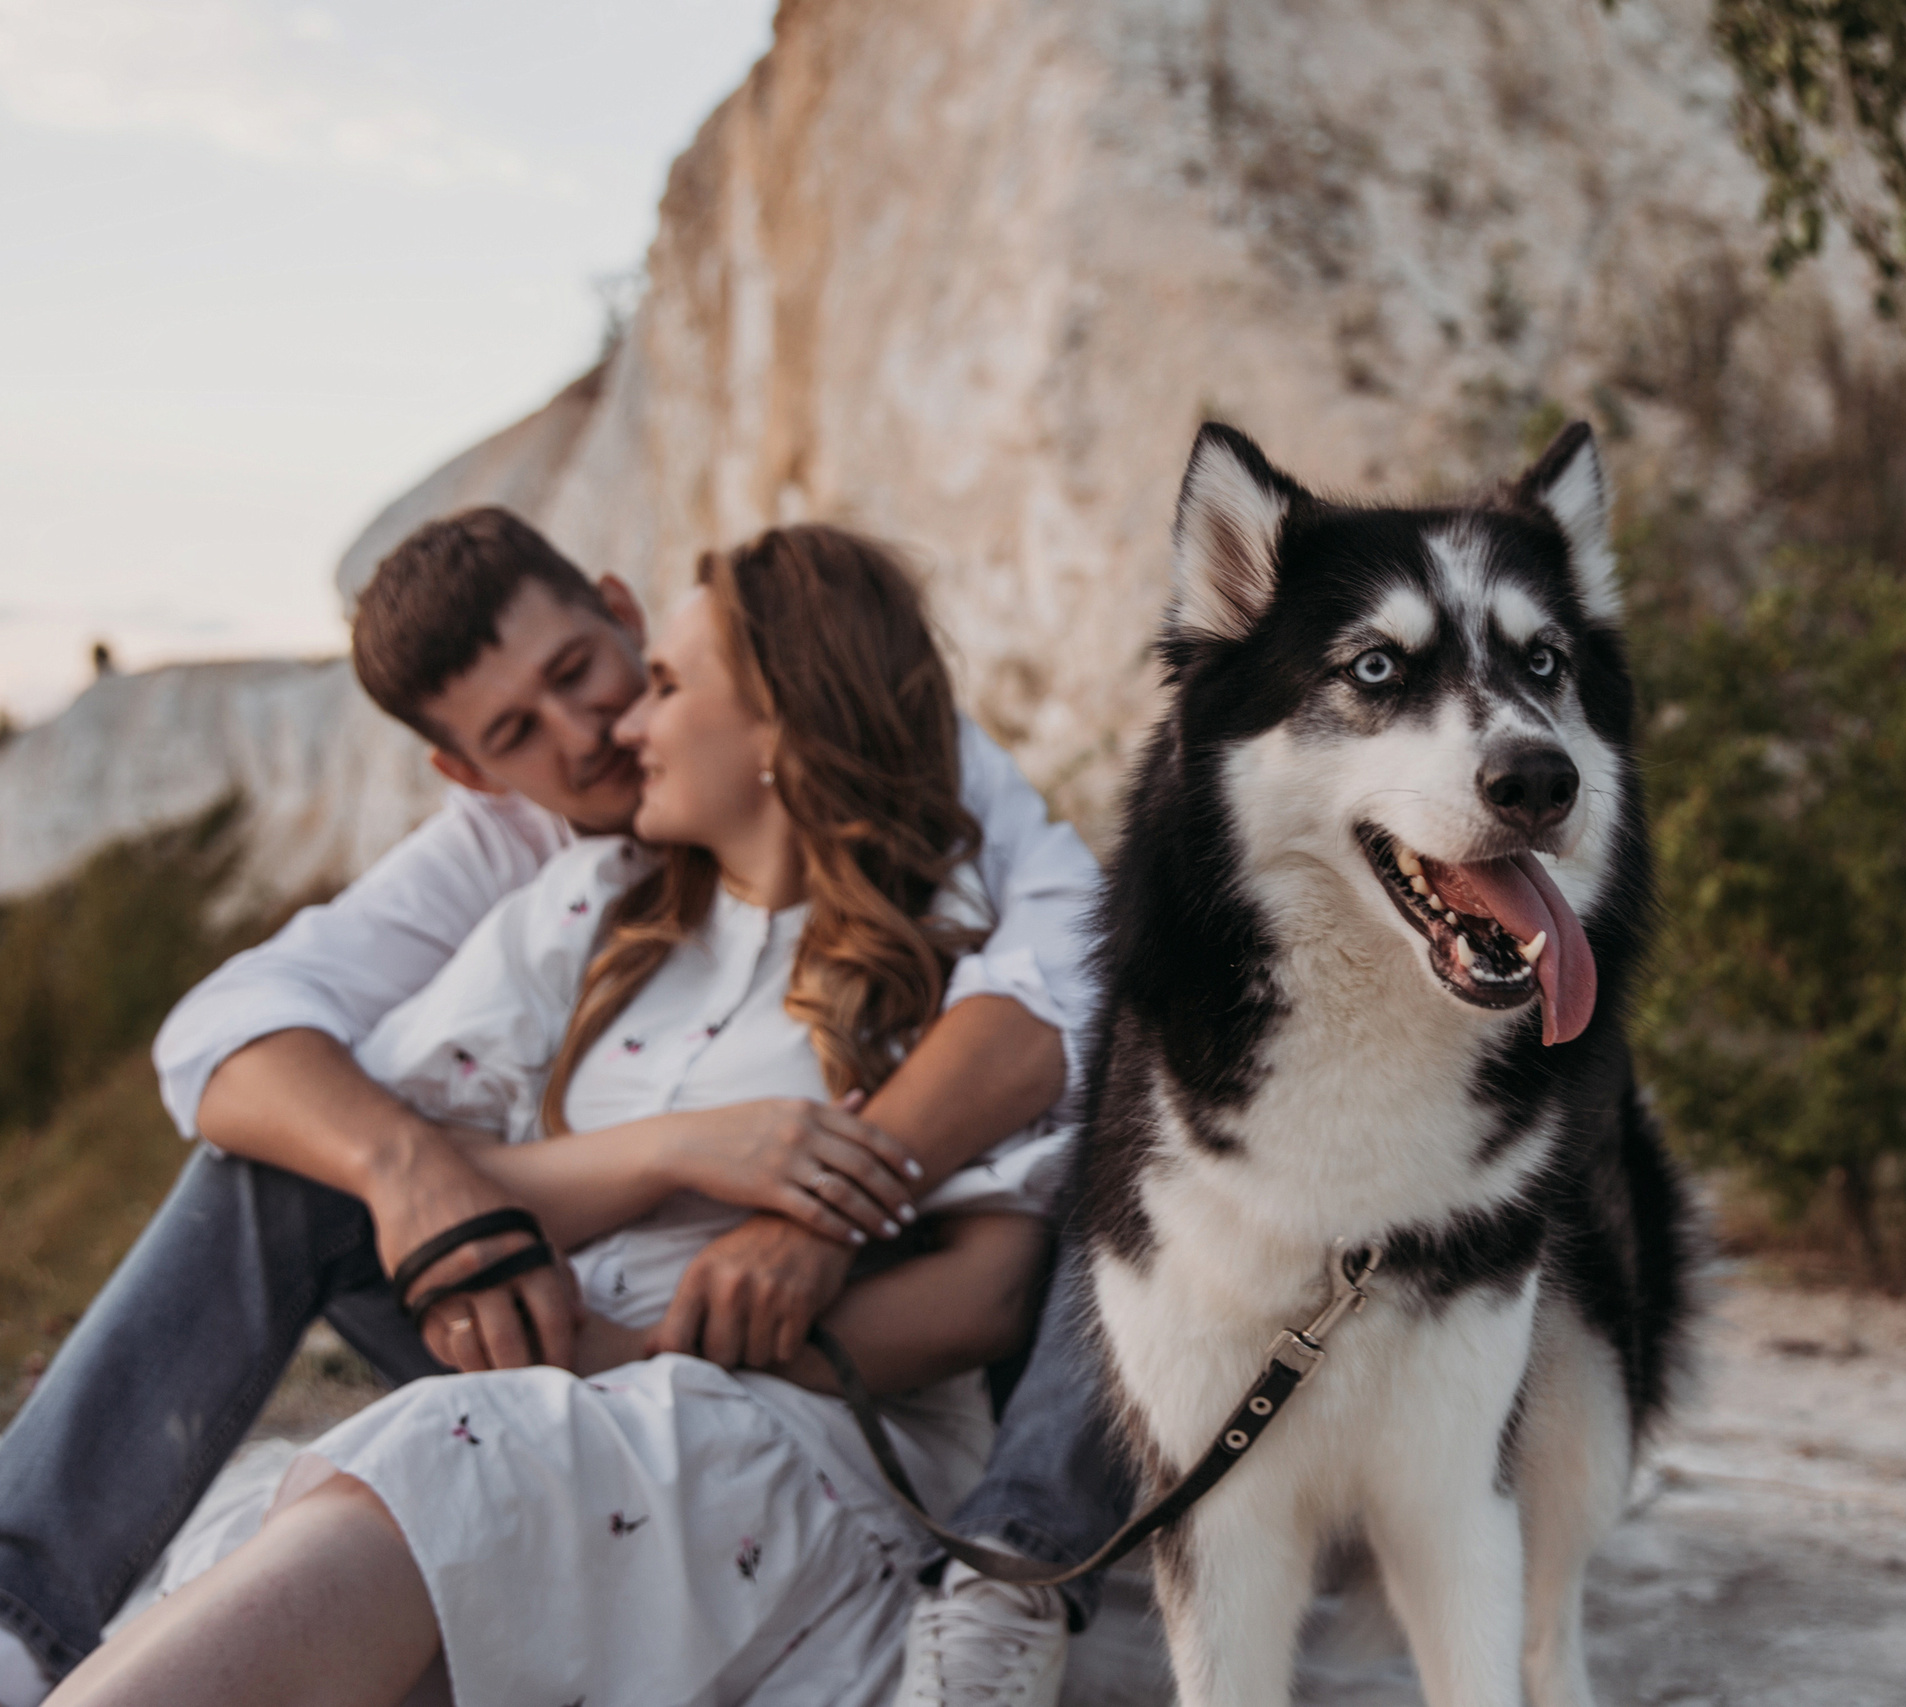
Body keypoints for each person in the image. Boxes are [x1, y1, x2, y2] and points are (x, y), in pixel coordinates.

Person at [0, 509, 1098, 1704]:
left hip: (777, 1402)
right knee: (321, 1280)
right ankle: (21, 1616)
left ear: (629, 619)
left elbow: (1065, 1005)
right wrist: (643, 1156)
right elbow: (222, 1039)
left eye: (604, 675)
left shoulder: (952, 887)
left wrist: (810, 1220)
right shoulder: (573, 895)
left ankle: (1018, 1565)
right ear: (469, 771)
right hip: (555, 1353)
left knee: (437, 1483)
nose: (601, 733)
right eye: (518, 731)